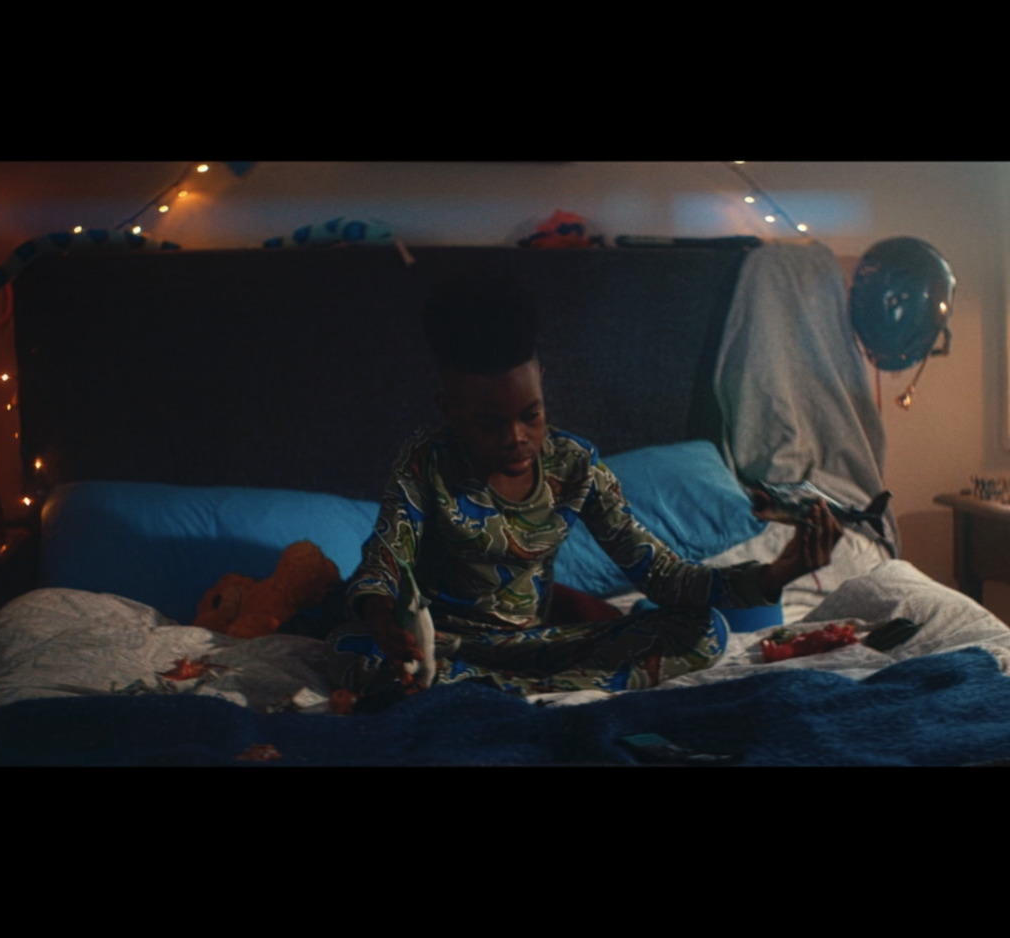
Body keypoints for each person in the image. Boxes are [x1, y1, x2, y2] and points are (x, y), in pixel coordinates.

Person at [332, 271, 842, 703]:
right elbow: (383, 559)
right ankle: (530, 693)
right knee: (353, 656)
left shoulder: (574, 466)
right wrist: (382, 617)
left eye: (530, 415)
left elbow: (665, 577)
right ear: (450, 411)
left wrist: (778, 573)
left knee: (704, 631)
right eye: (490, 423)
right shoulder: (426, 460)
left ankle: (520, 694)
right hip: (441, 647)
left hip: (532, 647)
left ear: (543, 389)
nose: (516, 438)